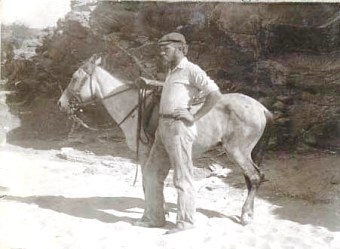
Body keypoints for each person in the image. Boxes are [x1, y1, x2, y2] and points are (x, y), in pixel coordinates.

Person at [134, 32, 222, 234]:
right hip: (163, 128)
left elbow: (215, 94)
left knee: (182, 176)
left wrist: (195, 116)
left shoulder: (191, 69)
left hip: (179, 128)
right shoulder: (172, 71)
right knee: (151, 172)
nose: (161, 53)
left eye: (166, 49)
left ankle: (186, 222)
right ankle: (155, 218)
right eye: (160, 49)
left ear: (180, 49)